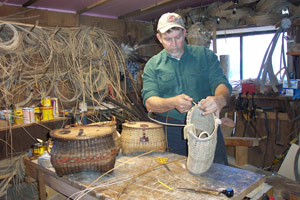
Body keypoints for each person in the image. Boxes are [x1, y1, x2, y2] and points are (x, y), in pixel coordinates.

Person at [141, 12, 232, 165]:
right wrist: (172, 102)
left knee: (217, 171)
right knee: (178, 176)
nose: (174, 44)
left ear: (185, 33)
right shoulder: (153, 65)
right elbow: (150, 103)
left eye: (178, 37)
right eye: (168, 39)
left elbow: (221, 83)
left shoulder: (205, 55)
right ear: (159, 38)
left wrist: (220, 99)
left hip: (206, 126)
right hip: (172, 131)